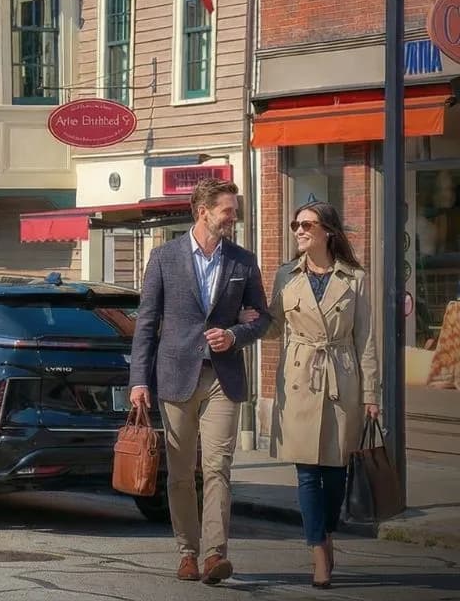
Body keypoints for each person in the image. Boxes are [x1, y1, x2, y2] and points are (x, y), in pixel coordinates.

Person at [128, 178, 271, 584]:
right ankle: (187, 551)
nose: (234, 216)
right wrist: (139, 379)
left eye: (234, 209)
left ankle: (214, 555)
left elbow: (262, 317)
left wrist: (235, 335)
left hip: (222, 378)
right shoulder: (163, 258)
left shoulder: (242, 261)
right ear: (202, 211)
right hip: (174, 376)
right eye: (228, 210)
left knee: (217, 467)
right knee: (178, 473)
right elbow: (147, 325)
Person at [264, 202, 380, 589]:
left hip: (340, 378)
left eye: (307, 225)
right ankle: (318, 550)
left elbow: (365, 340)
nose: (299, 230)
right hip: (298, 379)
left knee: (336, 472)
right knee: (307, 473)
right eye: (296, 223)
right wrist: (239, 322)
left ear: (328, 231)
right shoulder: (285, 275)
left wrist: (370, 393)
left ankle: (327, 530)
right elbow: (272, 328)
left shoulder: (354, 278)